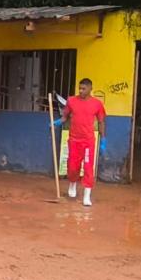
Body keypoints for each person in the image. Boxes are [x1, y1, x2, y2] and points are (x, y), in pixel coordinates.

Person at [55, 78, 107, 207]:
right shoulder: (71, 101)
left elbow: (101, 122)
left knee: (89, 167)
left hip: (88, 141)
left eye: (84, 88)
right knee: (73, 166)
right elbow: (64, 116)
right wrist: (56, 123)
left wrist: (103, 139)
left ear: (90, 89)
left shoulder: (97, 104)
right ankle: (72, 184)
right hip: (74, 140)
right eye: (80, 88)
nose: (81, 91)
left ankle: (86, 195)